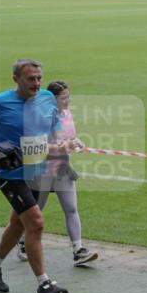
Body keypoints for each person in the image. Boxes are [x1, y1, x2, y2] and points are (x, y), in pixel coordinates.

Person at [0, 59, 69, 293]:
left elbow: (54, 128)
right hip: (10, 175)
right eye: (30, 79)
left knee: (18, 225)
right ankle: (44, 284)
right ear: (16, 79)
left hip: (38, 172)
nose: (36, 83)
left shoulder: (46, 98)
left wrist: (61, 142)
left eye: (39, 78)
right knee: (35, 223)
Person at [16, 81, 98, 267]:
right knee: (34, 212)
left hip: (62, 169)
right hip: (41, 170)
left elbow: (69, 137)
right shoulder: (40, 118)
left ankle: (78, 250)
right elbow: (37, 147)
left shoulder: (67, 114)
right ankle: (21, 243)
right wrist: (63, 147)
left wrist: (77, 142)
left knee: (71, 209)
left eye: (69, 97)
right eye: (63, 98)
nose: (67, 101)